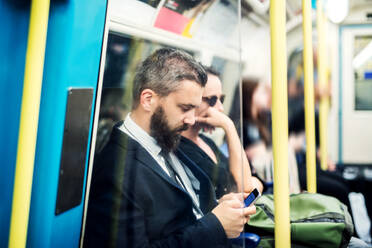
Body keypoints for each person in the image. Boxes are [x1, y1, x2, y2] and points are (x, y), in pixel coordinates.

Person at [84, 48, 256, 247]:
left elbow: (189, 210)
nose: (191, 120)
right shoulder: (116, 172)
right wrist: (215, 225)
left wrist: (220, 208)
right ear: (148, 99)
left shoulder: (165, 140)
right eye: (185, 108)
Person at [179, 67, 263, 199]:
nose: (220, 108)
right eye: (212, 100)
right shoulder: (181, 148)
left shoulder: (206, 141)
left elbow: (249, 183)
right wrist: (228, 126)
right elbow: (245, 186)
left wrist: (255, 183)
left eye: (221, 99)